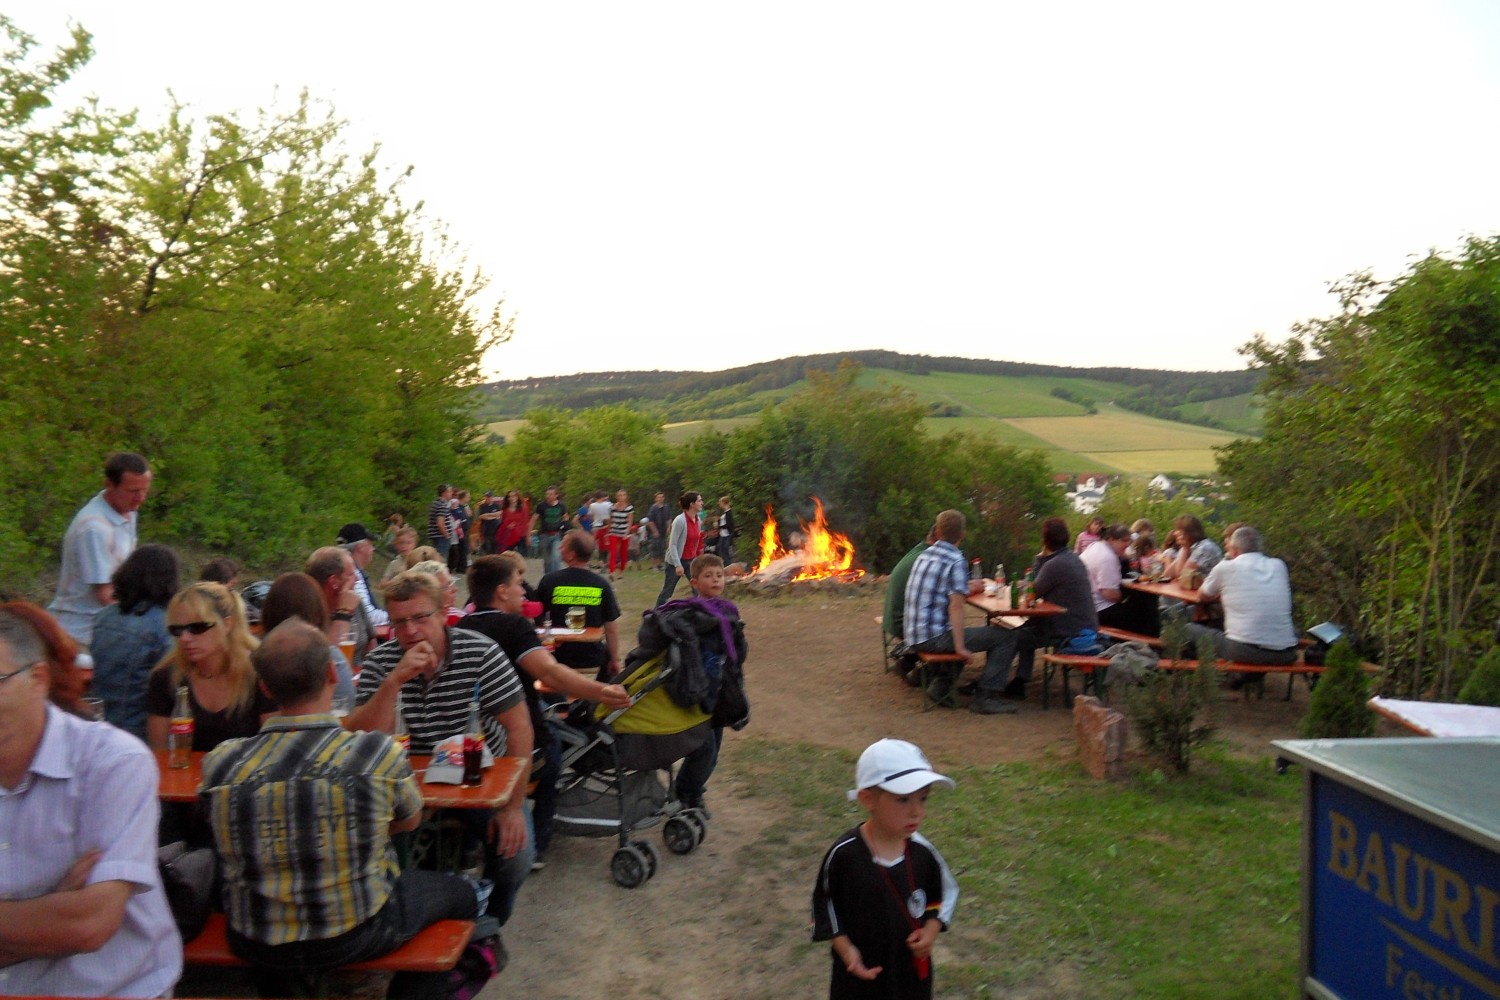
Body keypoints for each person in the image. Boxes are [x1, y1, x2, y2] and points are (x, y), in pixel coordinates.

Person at [201, 619, 483, 999]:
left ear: (264, 687)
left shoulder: (221, 763)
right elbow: (411, 820)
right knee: (463, 895)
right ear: (333, 674)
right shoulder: (374, 753)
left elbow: (218, 828)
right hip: (354, 933)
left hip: (254, 937)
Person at [0, 605, 182, 999]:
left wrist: (64, 918)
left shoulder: (113, 762)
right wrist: (54, 905)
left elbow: (88, 926)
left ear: (38, 679)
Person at [350, 571, 534, 926]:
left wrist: (512, 806)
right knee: (367, 845)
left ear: (443, 613)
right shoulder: (381, 662)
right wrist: (394, 682)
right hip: (409, 784)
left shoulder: (480, 653)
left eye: (421, 618)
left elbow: (519, 726)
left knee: (516, 857)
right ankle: (403, 921)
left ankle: (487, 925)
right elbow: (362, 738)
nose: (410, 631)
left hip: (479, 778)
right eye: (399, 622)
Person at [463, 554, 630, 865]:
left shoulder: (460, 627)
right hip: (514, 742)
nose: (523, 591)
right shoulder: (514, 626)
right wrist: (602, 690)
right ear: (502, 591)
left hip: (471, 743)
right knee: (552, 747)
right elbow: (549, 673)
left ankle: (471, 841)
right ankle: (538, 844)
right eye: (518, 584)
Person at [811, 738, 957, 1000]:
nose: (916, 811)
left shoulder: (924, 855)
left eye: (923, 798)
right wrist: (847, 952)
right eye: (903, 799)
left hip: (910, 978)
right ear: (868, 799)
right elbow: (826, 907)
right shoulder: (844, 856)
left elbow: (938, 899)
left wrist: (930, 932)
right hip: (859, 979)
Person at [903, 509, 1020, 715]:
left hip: (912, 634)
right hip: (932, 637)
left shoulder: (924, 555)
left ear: (938, 532)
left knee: (962, 632)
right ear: (962, 535)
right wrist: (960, 648)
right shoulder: (955, 561)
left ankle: (940, 686)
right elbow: (956, 607)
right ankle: (985, 696)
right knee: (1006, 636)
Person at [146, 582, 272, 754]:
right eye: (177, 630)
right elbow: (159, 753)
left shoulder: (261, 672)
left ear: (227, 624)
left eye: (197, 628)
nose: (184, 638)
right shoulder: (165, 677)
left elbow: (272, 751)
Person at [48, 451, 152, 647]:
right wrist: (144, 617)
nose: (140, 498)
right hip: (78, 634)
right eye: (133, 491)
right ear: (109, 484)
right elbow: (105, 594)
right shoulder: (94, 528)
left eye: (144, 490)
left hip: (104, 628)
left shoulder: (128, 511)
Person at [670, 553, 748, 812]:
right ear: (694, 582)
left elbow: (738, 652)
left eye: (719, 575)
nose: (716, 580)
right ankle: (684, 792)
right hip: (699, 690)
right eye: (708, 575)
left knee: (714, 751)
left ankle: (694, 791)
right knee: (705, 749)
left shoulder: (729, 610)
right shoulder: (688, 613)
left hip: (721, 691)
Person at [1003, 517, 1101, 701]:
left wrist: (1040, 557)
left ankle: (995, 682)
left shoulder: (1055, 564)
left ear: (1045, 540)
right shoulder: (1073, 559)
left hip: (1069, 631)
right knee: (1027, 630)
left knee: (1012, 637)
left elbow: (1032, 592)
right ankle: (1019, 681)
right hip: (1083, 626)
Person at [88, 544, 179, 741]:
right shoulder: (164, 625)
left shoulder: (103, 617)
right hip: (140, 731)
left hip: (99, 723)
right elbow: (171, 685)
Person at [1187, 526, 1300, 676]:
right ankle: (1243, 678)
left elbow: (1202, 595)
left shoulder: (1225, 567)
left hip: (1243, 651)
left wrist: (1227, 562)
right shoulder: (1279, 565)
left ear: (1233, 549)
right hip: (1286, 654)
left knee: (1187, 629)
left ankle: (1200, 679)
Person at [260, 572, 356, 709]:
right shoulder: (327, 657)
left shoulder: (256, 659)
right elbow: (348, 705)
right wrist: (344, 612)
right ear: (318, 612)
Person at [536, 530, 622, 679]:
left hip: (557, 658)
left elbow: (538, 620)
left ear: (571, 555)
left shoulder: (549, 581)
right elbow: (611, 628)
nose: (559, 548)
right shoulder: (601, 584)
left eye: (563, 546)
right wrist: (615, 660)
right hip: (592, 657)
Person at [882, 524, 937, 681]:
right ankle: (930, 673)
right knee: (946, 630)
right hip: (902, 624)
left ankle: (907, 662)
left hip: (891, 619)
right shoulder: (929, 558)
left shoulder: (919, 550)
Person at [307, 546, 374, 666]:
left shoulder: (354, 601)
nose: (357, 579)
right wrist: (343, 613)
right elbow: (330, 659)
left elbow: (371, 639)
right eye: (351, 574)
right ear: (334, 581)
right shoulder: (309, 614)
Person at [656, 491, 705, 607]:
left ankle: (698, 611)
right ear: (692, 504)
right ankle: (655, 613)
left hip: (691, 561)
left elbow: (697, 542)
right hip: (675, 561)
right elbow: (672, 544)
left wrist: (699, 558)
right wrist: (678, 565)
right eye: (699, 501)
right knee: (668, 591)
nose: (702, 503)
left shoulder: (698, 520)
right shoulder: (680, 521)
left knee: (698, 588)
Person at [339, 522, 390, 628]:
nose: (373, 549)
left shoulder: (344, 570)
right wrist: (399, 616)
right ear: (360, 547)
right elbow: (369, 617)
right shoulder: (352, 574)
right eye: (370, 545)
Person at [531, 486, 571, 575]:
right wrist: (528, 534)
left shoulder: (562, 505)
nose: (548, 496)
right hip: (544, 535)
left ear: (556, 495)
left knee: (556, 557)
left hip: (557, 535)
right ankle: (548, 577)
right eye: (547, 494)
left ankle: (555, 577)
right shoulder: (541, 505)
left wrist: (567, 530)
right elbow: (534, 519)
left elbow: (566, 518)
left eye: (551, 494)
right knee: (547, 561)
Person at [606, 489, 635, 579]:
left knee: (623, 553)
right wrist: (608, 531)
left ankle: (621, 571)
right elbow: (610, 520)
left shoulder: (629, 508)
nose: (621, 497)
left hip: (624, 533)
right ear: (617, 497)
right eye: (619, 495)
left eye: (623, 495)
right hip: (614, 532)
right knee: (613, 552)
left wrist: (627, 532)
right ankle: (612, 572)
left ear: (626, 497)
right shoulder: (612, 507)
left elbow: (630, 521)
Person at [427, 484, 456, 561]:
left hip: (436, 536)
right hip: (441, 537)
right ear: (444, 493)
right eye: (450, 491)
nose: (452, 493)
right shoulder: (442, 505)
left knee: (435, 558)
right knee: (441, 559)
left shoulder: (435, 503)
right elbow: (440, 523)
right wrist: (447, 535)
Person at [497, 490, 529, 555]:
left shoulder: (523, 508)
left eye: (514, 496)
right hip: (509, 536)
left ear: (517, 497)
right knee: (507, 556)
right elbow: (503, 523)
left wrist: (527, 536)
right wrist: (507, 526)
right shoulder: (505, 510)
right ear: (508, 498)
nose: (512, 498)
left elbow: (525, 522)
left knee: (520, 556)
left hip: (521, 535)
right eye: (510, 496)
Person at [449, 489, 473, 574]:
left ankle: (462, 566)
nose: (469, 499)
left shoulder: (464, 506)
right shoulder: (456, 506)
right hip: (459, 530)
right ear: (463, 497)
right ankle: (460, 567)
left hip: (465, 529)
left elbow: (469, 514)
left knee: (464, 548)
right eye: (467, 497)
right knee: (462, 548)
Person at [477, 489, 504, 555]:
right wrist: (493, 515)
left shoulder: (496, 505)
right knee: (488, 547)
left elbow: (500, 513)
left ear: (492, 497)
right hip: (486, 530)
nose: (487, 498)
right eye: (486, 497)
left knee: (495, 547)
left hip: (496, 529)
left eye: (489, 497)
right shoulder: (482, 506)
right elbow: (482, 516)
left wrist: (488, 515)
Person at [714, 496, 737, 563]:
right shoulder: (725, 512)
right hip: (723, 534)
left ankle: (728, 564)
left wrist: (720, 526)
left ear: (724, 503)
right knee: (720, 549)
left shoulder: (729, 512)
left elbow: (729, 524)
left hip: (726, 534)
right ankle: (725, 563)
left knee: (725, 551)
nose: (720, 505)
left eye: (720, 503)